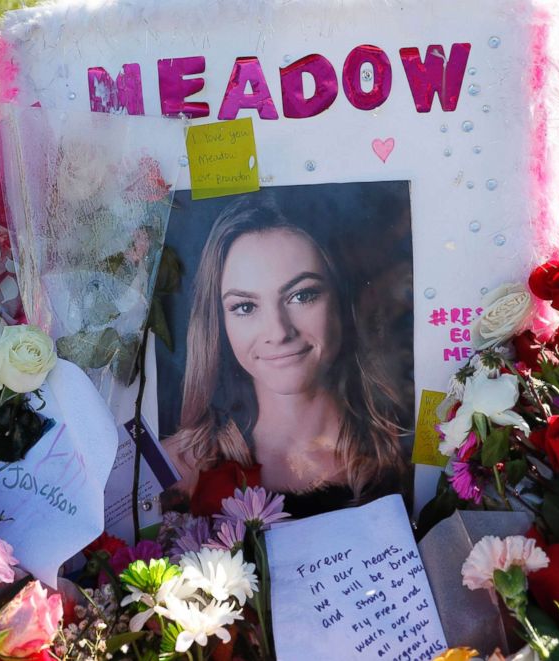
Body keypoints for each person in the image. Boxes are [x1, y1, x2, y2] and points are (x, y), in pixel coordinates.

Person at [162, 194, 409, 517]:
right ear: (219, 323)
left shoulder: (412, 453)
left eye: (302, 295)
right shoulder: (173, 469)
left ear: (342, 300)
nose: (278, 331)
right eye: (245, 307)